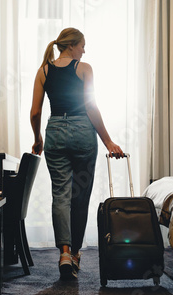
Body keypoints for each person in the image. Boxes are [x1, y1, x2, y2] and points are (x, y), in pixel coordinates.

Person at [30, 27, 124, 280]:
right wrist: (108, 141)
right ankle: (75, 253)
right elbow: (90, 106)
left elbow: (35, 113)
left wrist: (38, 138)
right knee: (80, 195)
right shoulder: (84, 69)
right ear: (72, 46)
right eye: (83, 45)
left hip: (55, 132)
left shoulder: (44, 70)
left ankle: (63, 253)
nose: (84, 50)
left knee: (60, 194)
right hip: (83, 132)